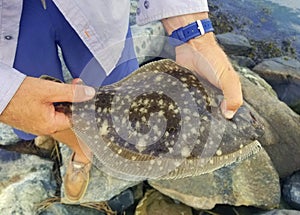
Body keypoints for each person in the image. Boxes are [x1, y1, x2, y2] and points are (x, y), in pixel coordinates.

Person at [0, 0, 242, 202]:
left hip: (97, 10)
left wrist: (191, 32)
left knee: (123, 100)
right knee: (41, 108)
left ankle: (87, 145)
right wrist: (4, 93)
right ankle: (80, 150)